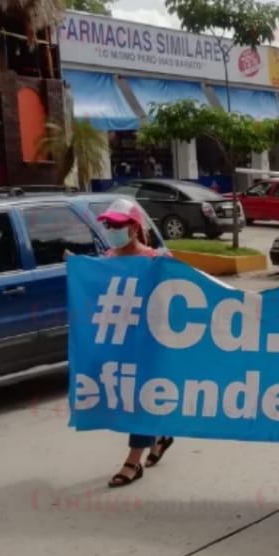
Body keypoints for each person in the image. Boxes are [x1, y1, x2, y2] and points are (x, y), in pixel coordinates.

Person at [96, 198, 175, 488]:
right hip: (119, 341)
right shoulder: (107, 258)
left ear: (133, 227)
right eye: (107, 224)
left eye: (117, 224)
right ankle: (161, 434)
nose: (111, 229)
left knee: (141, 399)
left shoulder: (153, 259)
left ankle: (133, 461)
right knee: (128, 397)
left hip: (148, 342)